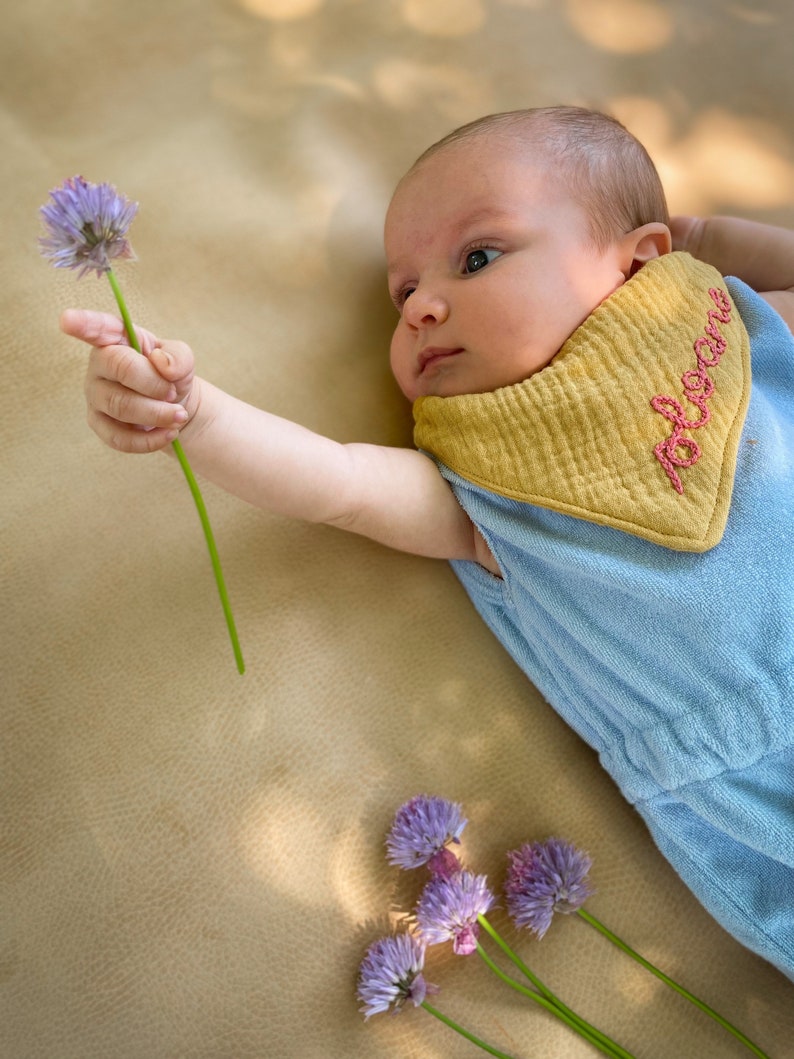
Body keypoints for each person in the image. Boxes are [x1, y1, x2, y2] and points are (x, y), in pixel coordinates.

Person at [61, 106, 794, 979]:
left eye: (477, 257)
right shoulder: (488, 488)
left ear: (640, 261)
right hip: (759, 776)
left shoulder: (734, 328)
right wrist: (199, 413)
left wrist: (707, 237)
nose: (424, 306)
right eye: (404, 294)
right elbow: (335, 479)